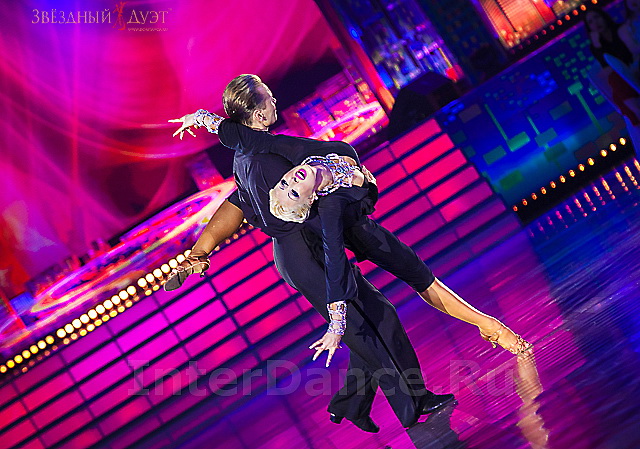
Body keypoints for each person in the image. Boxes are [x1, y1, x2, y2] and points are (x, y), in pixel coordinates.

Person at [167, 74, 454, 431]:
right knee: (364, 331)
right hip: (305, 250)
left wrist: (202, 249)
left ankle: (353, 403)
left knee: (378, 316)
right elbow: (257, 205)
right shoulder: (262, 157)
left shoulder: (247, 154)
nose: (275, 102)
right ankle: (412, 406)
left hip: (302, 248)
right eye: (268, 98)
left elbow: (238, 201)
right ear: (257, 114)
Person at [180, 105, 531, 357]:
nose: (292, 180)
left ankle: (486, 324)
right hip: (335, 229)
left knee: (417, 273)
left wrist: (199, 118)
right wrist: (336, 323)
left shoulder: (286, 148)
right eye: (293, 188)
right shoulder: (324, 203)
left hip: (356, 216)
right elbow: (332, 255)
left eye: (287, 182)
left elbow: (238, 136)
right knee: (388, 302)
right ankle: (488, 329)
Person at [585, 6, 640, 124]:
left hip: (636, 67)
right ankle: (637, 114)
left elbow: (631, 53)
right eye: (590, 22)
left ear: (603, 17)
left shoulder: (620, 30)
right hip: (624, 76)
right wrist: (597, 44)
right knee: (615, 84)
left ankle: (636, 118)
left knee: (615, 84)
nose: (595, 22)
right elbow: (606, 66)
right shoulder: (595, 46)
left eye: (597, 17)